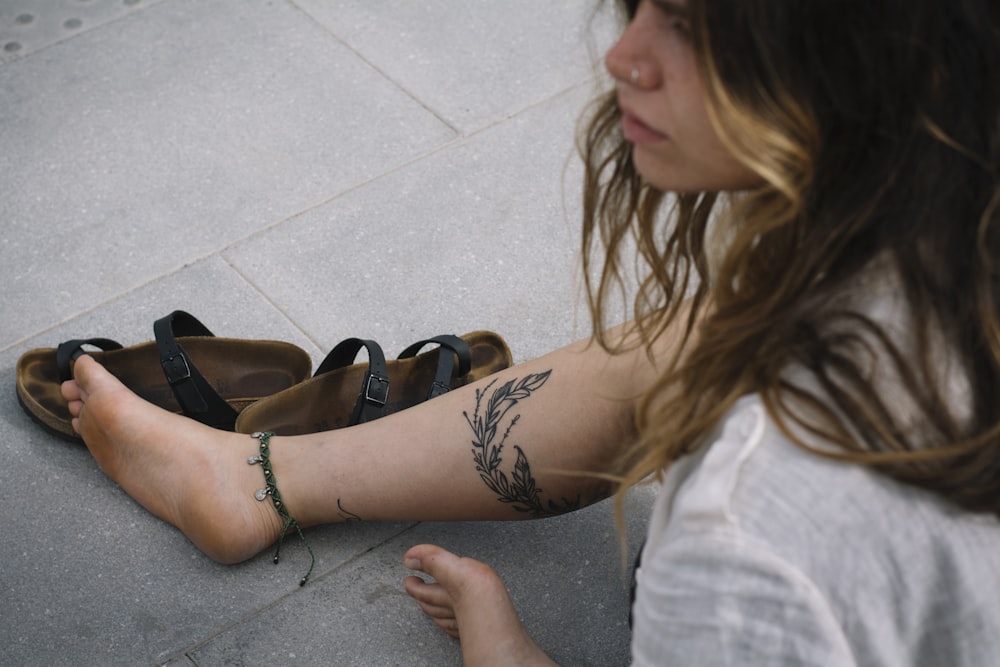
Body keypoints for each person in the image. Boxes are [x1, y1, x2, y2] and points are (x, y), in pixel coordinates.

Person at [60, 0, 1000, 663]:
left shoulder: (752, 542)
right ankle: (261, 480)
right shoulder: (956, 223)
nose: (624, 54)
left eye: (695, 21)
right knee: (714, 330)